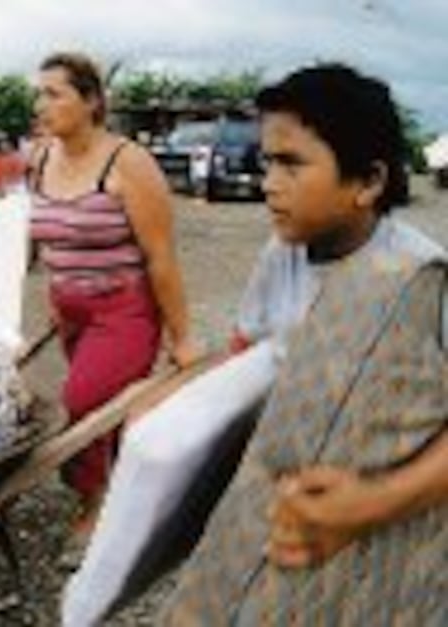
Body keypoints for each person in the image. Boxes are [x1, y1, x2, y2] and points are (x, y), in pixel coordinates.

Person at [159, 63, 448, 625]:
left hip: (398, 536)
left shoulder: (423, 281)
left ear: (368, 181)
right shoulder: (281, 255)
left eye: (291, 163)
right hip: (290, 524)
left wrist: (370, 505)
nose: (269, 182)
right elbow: (248, 359)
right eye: (268, 161)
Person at [29, 52, 199, 540]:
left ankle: (94, 507)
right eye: (39, 93)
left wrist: (182, 337)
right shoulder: (39, 157)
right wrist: (53, 296)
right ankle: (136, 492)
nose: (41, 104)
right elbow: (48, 238)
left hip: (123, 310)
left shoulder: (128, 163)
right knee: (110, 410)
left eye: (54, 93)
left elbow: (161, 257)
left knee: (83, 403)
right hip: (69, 308)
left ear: (92, 101)